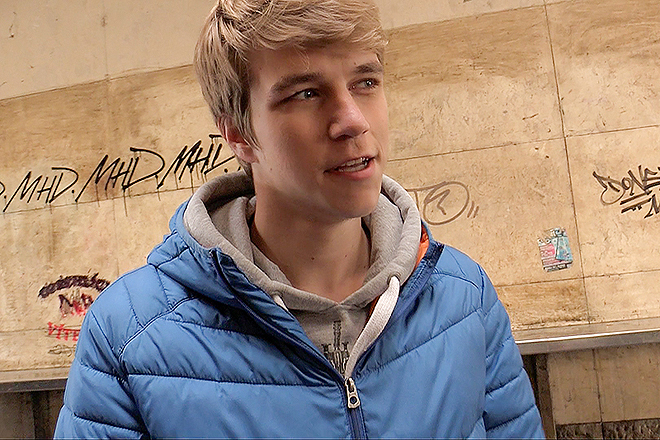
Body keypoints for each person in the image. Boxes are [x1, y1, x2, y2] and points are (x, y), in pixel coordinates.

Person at [54, 0, 545, 437]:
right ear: (239, 134)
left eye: (366, 82)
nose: (353, 120)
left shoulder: (464, 298)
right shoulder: (129, 337)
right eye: (306, 93)